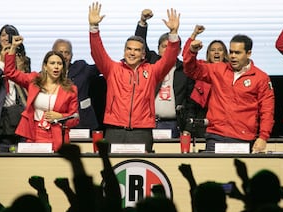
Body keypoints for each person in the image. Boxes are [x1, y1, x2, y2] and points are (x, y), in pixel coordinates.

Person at [88, 2, 181, 152]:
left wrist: (173, 34)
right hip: (114, 129)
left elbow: (169, 59)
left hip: (142, 131)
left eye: (137, 50)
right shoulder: (113, 69)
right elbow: (97, 52)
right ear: (124, 51)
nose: (132, 53)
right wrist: (94, 29)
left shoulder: (152, 71)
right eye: (129, 49)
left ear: (143, 54)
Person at [183, 33, 275, 153]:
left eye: (237, 53)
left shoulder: (261, 78)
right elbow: (191, 71)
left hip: (243, 139)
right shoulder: (218, 69)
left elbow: (267, 111)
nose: (232, 56)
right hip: (216, 136)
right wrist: (191, 52)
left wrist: (263, 137)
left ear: (248, 53)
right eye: (231, 52)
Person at [4, 36, 79, 151]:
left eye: (59, 64)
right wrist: (13, 47)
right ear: (45, 66)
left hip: (57, 135)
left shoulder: (70, 89)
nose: (56, 67)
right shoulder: (34, 80)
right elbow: (10, 73)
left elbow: (75, 118)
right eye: (52, 63)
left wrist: (60, 117)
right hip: (35, 133)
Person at [135, 9, 194, 138]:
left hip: (174, 124)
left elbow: (190, 101)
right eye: (163, 46)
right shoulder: (152, 62)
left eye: (171, 46)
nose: (167, 50)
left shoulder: (185, 70)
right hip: (148, 122)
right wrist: (143, 22)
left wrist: (188, 128)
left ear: (178, 50)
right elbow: (139, 42)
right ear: (158, 49)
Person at [184, 25, 229, 138]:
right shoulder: (202, 68)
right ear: (208, 53)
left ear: (225, 54)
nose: (216, 53)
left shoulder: (232, 72)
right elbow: (187, 58)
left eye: (220, 50)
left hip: (225, 118)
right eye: (213, 50)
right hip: (202, 117)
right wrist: (194, 36)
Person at [52, 39, 104, 130]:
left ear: (71, 56)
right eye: (60, 52)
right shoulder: (44, 76)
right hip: (55, 124)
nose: (63, 56)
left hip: (82, 124)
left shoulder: (82, 68)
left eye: (67, 53)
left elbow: (104, 66)